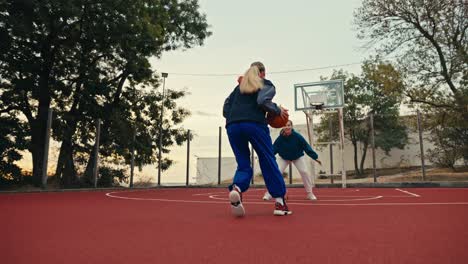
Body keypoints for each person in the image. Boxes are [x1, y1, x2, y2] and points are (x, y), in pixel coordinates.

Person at [223, 61, 291, 217]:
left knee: (243, 162)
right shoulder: (266, 84)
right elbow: (262, 101)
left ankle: (237, 189)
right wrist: (277, 110)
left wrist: (238, 116)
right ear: (262, 73)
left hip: (233, 126)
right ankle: (280, 202)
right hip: (254, 125)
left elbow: (225, 109)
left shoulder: (237, 88)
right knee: (267, 160)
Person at [263, 120, 322, 201]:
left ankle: (310, 193)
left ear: (291, 126)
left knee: (304, 171)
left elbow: (306, 147)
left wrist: (315, 157)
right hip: (284, 158)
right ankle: (269, 193)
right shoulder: (280, 139)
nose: (287, 127)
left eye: (289, 125)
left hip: (297, 157)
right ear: (283, 127)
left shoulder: (297, 137)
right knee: (277, 172)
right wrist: (266, 158)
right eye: (285, 125)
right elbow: (273, 150)